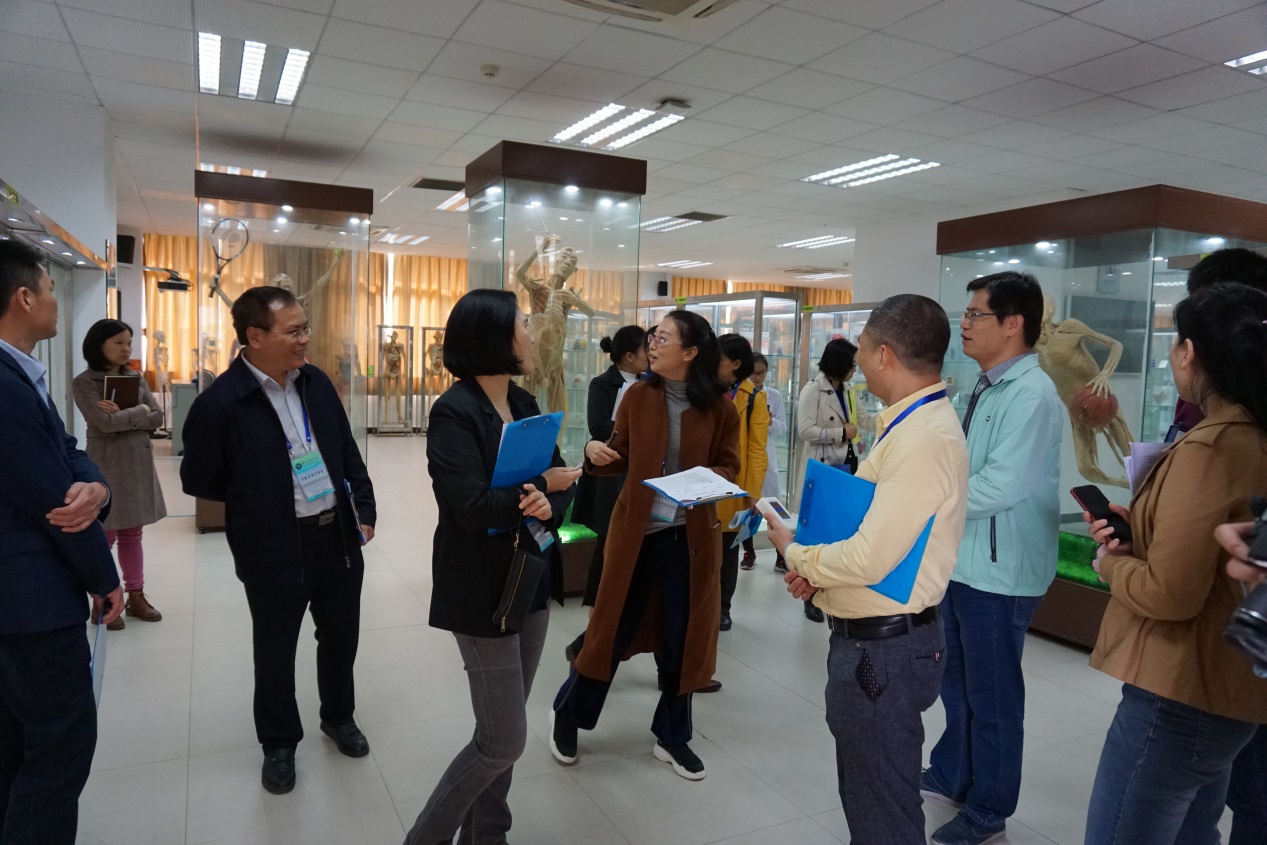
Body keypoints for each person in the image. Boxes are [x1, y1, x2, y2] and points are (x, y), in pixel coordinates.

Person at [765, 293, 969, 845]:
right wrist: (819, 575)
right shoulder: (911, 424)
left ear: (884, 355)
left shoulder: (922, 438)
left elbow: (870, 556)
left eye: (862, 347)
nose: (857, 359)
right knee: (873, 795)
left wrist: (795, 552)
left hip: (883, 653)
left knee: (883, 811)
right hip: (878, 642)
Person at [1080, 283, 1267, 845]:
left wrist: (1110, 564)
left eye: (1176, 343)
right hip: (1224, 682)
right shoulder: (1252, 435)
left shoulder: (1212, 447)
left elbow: (1171, 592)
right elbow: (1218, 552)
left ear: (1191, 353)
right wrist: (1144, 530)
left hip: (1180, 689)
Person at [180, 285, 377, 796]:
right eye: (293, 331)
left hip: (335, 535)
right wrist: (257, 499)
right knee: (275, 649)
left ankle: (338, 716)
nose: (305, 339)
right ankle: (279, 742)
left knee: (341, 637)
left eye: (305, 328)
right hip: (272, 548)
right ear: (255, 336)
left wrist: (365, 510)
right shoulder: (221, 402)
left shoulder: (316, 383)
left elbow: (346, 450)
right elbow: (198, 478)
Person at [404, 289, 579, 845]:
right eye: (523, 322)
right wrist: (540, 487)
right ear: (494, 336)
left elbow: (559, 483)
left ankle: (487, 834)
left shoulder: (524, 403)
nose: (531, 332)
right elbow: (472, 506)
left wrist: (551, 500)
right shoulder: (454, 412)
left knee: (506, 724)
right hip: (481, 587)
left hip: (529, 574)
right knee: (502, 740)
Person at [550, 310, 739, 781]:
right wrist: (595, 453)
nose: (652, 344)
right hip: (637, 536)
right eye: (654, 335)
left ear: (690, 352)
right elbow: (620, 456)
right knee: (609, 634)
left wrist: (706, 478)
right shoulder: (638, 396)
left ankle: (672, 737)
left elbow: (729, 466)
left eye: (663, 338)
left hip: (689, 541)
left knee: (681, 640)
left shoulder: (721, 409)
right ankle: (569, 716)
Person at [923, 272, 1063, 845]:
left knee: (994, 697)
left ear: (1013, 324)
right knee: (957, 686)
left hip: (1001, 574)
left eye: (976, 314)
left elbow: (1000, 486)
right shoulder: (986, 385)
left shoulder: (1032, 394)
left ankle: (989, 810)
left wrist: (926, 502)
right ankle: (953, 774)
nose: (964, 323)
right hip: (966, 561)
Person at [0, 239, 123, 843]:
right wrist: (104, 578)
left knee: (17, 744)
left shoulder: (22, 374)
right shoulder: (5, 385)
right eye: (50, 290)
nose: (55, 301)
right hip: (30, 604)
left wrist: (97, 486)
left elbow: (69, 453)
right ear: (24, 298)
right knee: (59, 748)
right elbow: (56, 505)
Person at [1166, 247, 1267, 845]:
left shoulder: (1232, 431)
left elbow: (1171, 592)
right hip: (1230, 645)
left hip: (1230, 645)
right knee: (1218, 783)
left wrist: (1118, 569)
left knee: (1249, 791)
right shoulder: (1210, 414)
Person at [72, 318, 167, 630]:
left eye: (129, 343)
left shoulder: (134, 377)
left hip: (137, 462)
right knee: (106, 534)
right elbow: (104, 423)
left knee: (132, 533)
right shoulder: (85, 382)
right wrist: (140, 413)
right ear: (99, 345)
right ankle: (103, 598)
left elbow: (158, 417)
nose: (126, 349)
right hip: (107, 463)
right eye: (118, 343)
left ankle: (135, 595)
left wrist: (130, 414)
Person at [566, 325, 648, 664]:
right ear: (628, 356)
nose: (650, 354)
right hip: (610, 473)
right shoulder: (603, 383)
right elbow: (598, 427)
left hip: (638, 473)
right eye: (646, 349)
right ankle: (594, 631)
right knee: (607, 546)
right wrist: (635, 429)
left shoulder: (650, 383)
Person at [793, 338, 871, 623]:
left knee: (840, 531)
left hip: (847, 465)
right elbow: (804, 430)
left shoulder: (848, 391)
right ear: (839, 364)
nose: (855, 370)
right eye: (852, 365)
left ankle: (832, 588)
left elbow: (865, 420)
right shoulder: (813, 390)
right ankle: (810, 596)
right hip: (824, 467)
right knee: (816, 534)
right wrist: (840, 433)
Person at [716, 333, 769, 632]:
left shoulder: (753, 398)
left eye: (719, 358)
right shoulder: (705, 389)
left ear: (736, 364)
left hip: (733, 487)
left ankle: (723, 607)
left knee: (728, 550)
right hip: (700, 482)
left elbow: (757, 449)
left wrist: (753, 494)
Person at [741, 353, 787, 569]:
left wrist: (769, 421)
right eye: (753, 373)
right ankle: (748, 551)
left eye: (762, 373)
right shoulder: (740, 394)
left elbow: (782, 428)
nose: (758, 377)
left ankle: (781, 554)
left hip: (767, 457)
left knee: (772, 506)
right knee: (747, 508)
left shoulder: (774, 395)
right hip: (746, 456)